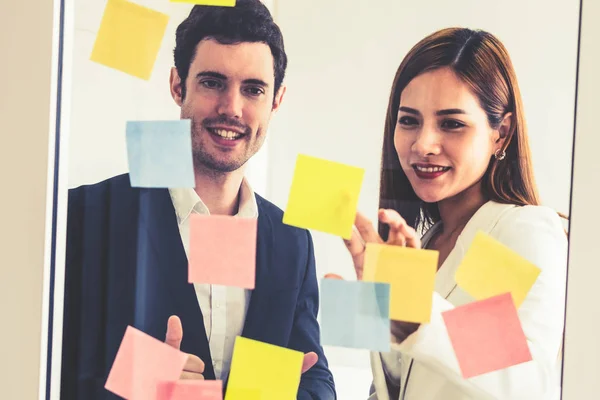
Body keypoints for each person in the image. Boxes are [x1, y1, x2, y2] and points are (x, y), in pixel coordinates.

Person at [60, 1, 336, 399]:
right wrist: (131, 386)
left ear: (275, 101)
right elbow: (37, 363)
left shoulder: (293, 240)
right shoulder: (85, 216)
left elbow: (317, 379)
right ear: (177, 85)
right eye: (212, 82)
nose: (232, 108)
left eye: (253, 89)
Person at [342, 28, 568, 400]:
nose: (423, 144)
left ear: (502, 133)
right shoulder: (424, 241)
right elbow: (397, 385)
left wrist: (416, 316)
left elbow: (525, 379)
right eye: (409, 120)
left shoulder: (519, 231)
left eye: (452, 123)